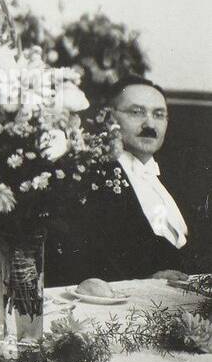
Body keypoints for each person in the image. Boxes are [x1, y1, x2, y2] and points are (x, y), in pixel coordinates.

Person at [49, 76, 189, 284]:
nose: (150, 123)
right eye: (136, 112)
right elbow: (80, 260)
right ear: (109, 118)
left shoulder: (177, 178)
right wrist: (142, 282)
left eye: (159, 115)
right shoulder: (90, 178)